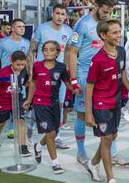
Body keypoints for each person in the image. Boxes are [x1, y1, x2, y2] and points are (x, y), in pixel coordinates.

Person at [66, 0, 129, 182]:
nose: (107, 15)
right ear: (96, 5)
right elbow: (71, 52)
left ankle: (112, 153)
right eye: (104, 11)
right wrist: (74, 80)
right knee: (82, 114)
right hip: (87, 76)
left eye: (110, 12)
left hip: (107, 76)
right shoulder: (83, 24)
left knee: (111, 125)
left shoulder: (109, 25)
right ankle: (81, 151)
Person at [85, 19, 129, 183]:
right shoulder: (97, 59)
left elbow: (123, 72)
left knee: (111, 136)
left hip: (116, 102)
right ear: (103, 35)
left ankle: (93, 163)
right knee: (105, 139)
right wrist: (89, 113)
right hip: (100, 103)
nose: (118, 35)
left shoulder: (121, 51)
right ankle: (110, 178)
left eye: (119, 31)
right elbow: (89, 87)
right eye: (114, 32)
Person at [23, 40, 79, 174]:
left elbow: (68, 84)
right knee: (50, 133)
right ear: (42, 52)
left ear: (57, 52)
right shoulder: (37, 66)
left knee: (53, 133)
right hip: (40, 104)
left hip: (54, 104)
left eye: (52, 50)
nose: (48, 52)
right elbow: (32, 84)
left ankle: (39, 145)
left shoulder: (61, 67)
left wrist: (76, 89)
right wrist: (29, 100)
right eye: (46, 49)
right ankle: (55, 162)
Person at [27, 4, 73, 150]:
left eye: (63, 14)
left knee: (58, 105)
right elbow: (31, 51)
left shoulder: (69, 31)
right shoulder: (41, 28)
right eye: (57, 13)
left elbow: (69, 54)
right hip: (42, 75)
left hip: (59, 75)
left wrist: (69, 75)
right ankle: (30, 128)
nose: (60, 16)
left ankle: (57, 136)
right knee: (40, 105)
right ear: (52, 14)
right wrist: (30, 73)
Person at [0, 51, 31, 156]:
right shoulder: (3, 72)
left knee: (21, 122)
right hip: (3, 101)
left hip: (17, 99)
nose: (21, 67)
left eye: (23, 64)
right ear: (11, 61)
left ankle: (23, 147)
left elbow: (26, 83)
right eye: (18, 64)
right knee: (0, 124)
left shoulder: (24, 71)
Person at [0, 19, 30, 139]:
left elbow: (29, 60)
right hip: (5, 79)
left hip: (20, 79)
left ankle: (14, 131)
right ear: (13, 28)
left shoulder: (26, 42)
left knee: (19, 105)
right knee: (4, 110)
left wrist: (30, 75)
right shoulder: (2, 42)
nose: (22, 29)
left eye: (23, 27)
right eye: (19, 26)